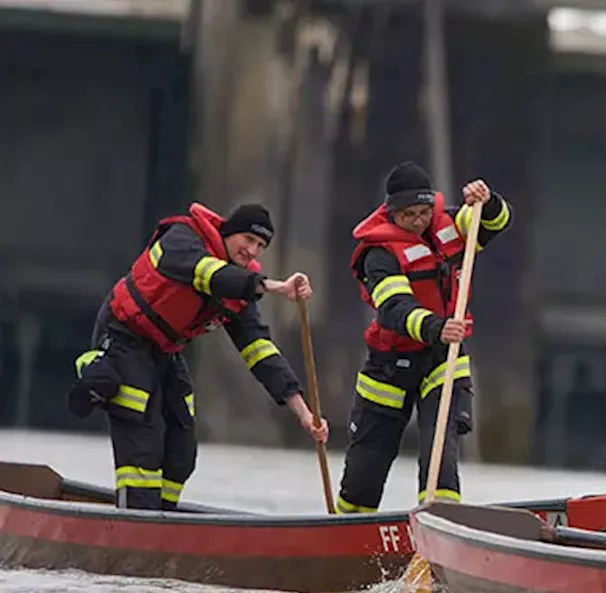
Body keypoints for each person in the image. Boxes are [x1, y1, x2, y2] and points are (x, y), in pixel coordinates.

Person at [67, 202, 330, 510]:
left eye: (260, 246)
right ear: (228, 232)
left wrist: (304, 414)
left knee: (181, 452)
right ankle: (137, 526)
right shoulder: (182, 239)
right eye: (248, 240)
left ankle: (163, 524)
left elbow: (260, 352)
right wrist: (272, 287)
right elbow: (207, 274)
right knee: (144, 444)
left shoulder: (239, 285)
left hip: (165, 351)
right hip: (125, 337)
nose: (253, 251)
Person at [335, 161, 513, 514]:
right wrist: (436, 328)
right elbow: (394, 309)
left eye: (424, 212)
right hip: (390, 365)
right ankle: (347, 535)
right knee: (365, 470)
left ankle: (441, 524)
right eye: (409, 215)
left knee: (440, 456)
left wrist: (487, 200)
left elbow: (494, 222)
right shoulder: (379, 254)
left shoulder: (450, 224)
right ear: (392, 213)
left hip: (443, 360)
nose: (418, 221)